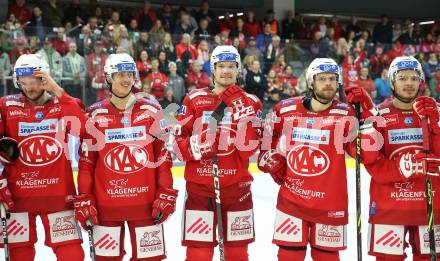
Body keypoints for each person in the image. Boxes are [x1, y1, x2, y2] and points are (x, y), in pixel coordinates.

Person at [258, 58, 381, 260]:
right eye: (322, 78)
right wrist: (271, 162)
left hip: (330, 205)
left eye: (333, 79)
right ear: (310, 82)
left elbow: (366, 155)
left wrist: (367, 115)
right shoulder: (285, 109)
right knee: (289, 256)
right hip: (292, 202)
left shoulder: (347, 114)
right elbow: (264, 144)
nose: (328, 83)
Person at [74, 53, 178, 260]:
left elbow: (163, 158)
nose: (125, 79)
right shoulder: (94, 115)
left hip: (146, 208)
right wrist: (84, 198)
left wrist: (165, 192)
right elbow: (86, 165)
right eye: (119, 74)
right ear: (108, 77)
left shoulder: (151, 111)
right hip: (105, 210)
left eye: (129, 74)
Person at [173, 45, 262, 261]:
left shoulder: (251, 102)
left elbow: (249, 149)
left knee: (237, 254)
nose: (226, 71)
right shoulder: (193, 99)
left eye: (231, 66)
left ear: (238, 70)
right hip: (199, 191)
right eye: (221, 66)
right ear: (212, 69)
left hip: (237, 191)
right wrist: (200, 145)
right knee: (198, 254)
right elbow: (177, 146)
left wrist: (240, 111)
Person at [0, 54, 85, 260]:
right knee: (20, 255)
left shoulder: (64, 103)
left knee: (72, 256)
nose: (29, 88)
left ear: (46, 78)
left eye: (35, 81)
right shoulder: (5, 105)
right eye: (23, 82)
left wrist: (57, 90)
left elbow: (82, 129)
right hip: (17, 199)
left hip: (57, 196)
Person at [364, 56, 440, 260]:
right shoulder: (376, 116)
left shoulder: (435, 112)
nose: (409, 83)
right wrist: (403, 167)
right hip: (389, 206)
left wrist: (436, 125)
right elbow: (371, 163)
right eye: (403, 77)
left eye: (414, 78)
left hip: (429, 205)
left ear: (421, 82)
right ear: (392, 81)